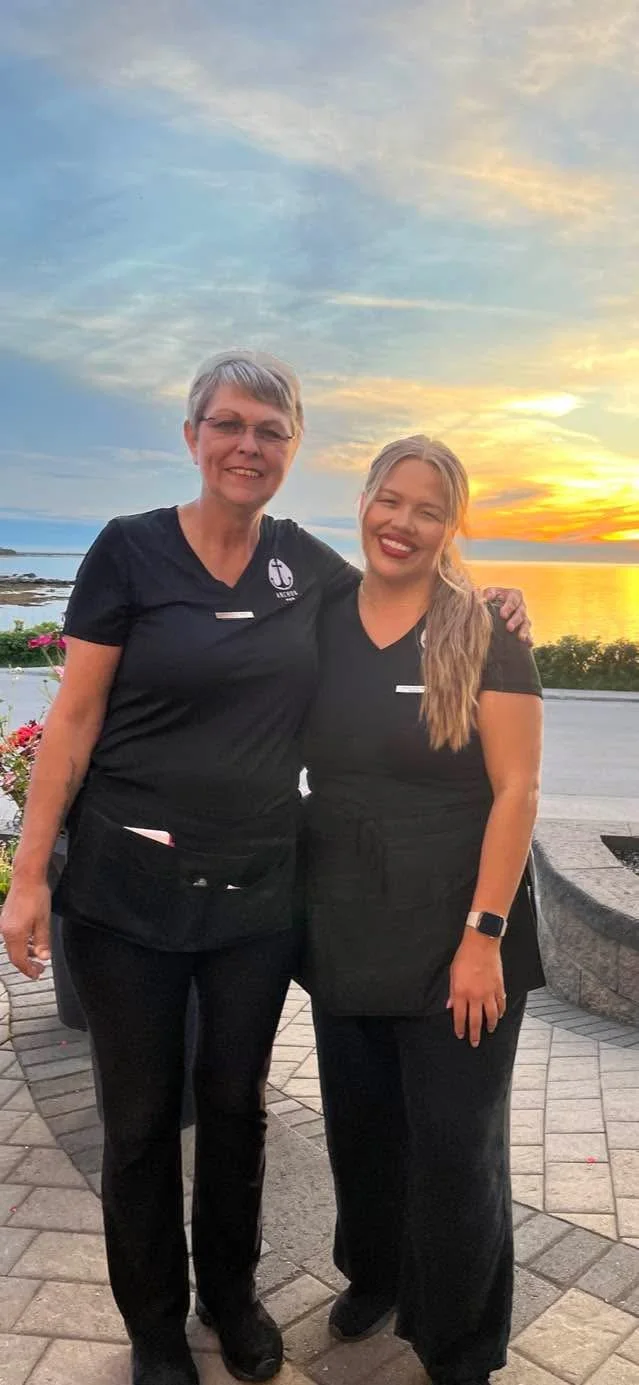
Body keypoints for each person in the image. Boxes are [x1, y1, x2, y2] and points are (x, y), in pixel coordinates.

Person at [0, 353, 530, 1385]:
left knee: (235, 1106)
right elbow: (70, 723)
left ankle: (230, 1299)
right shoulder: (128, 551)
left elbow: (406, 571)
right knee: (143, 1120)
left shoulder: (303, 565)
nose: (249, 445)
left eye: (271, 430)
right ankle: (157, 1328)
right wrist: (29, 877)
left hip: (255, 897)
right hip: (124, 892)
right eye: (229, 424)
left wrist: (486, 597)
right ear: (193, 435)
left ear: (293, 447)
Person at [301, 435, 544, 1385]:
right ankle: (374, 1273)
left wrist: (481, 939)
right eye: (388, 499)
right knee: (360, 1125)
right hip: (346, 918)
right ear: (362, 499)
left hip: (460, 929)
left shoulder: (483, 629)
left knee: (454, 1149)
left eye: (427, 509)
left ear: (453, 525)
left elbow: (516, 791)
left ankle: (463, 1345)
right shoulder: (316, 611)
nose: (401, 522)